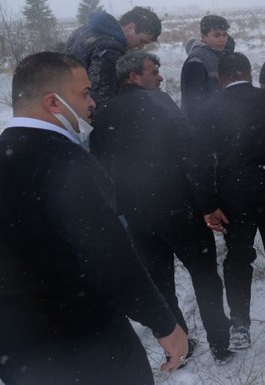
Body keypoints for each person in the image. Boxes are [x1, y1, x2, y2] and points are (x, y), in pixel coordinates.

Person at [0, 52, 188, 384]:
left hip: (19, 351)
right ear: (53, 102)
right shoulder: (67, 163)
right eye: (85, 92)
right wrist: (164, 323)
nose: (93, 103)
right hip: (86, 344)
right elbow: (110, 258)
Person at [90, 52, 235, 364]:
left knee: (161, 283)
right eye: (152, 71)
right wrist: (208, 202)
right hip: (178, 209)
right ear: (133, 77)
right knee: (205, 275)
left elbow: (100, 164)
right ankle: (221, 343)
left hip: (137, 215)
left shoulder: (103, 113)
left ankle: (179, 347)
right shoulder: (159, 102)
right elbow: (191, 152)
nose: (158, 76)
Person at [192, 52, 265, 356]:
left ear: (220, 78)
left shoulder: (207, 109)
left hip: (233, 198)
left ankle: (239, 323)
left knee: (238, 259)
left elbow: (198, 162)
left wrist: (207, 205)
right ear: (249, 72)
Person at [65, 6, 162, 105]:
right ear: (130, 27)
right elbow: (102, 97)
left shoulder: (85, 31)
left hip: (69, 101)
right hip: (85, 110)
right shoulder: (109, 50)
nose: (141, 47)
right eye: (142, 41)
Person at [181, 14, 230, 119]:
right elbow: (193, 101)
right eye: (216, 35)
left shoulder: (222, 55)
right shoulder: (197, 60)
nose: (222, 40)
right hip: (205, 123)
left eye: (224, 35)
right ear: (203, 36)